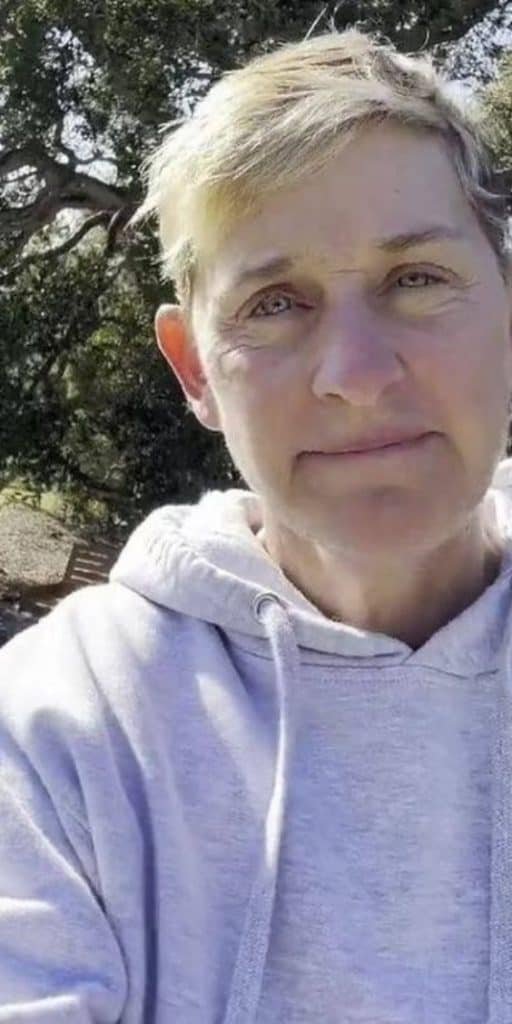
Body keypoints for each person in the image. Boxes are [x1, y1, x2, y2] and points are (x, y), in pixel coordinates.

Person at [0, 26, 511, 1023]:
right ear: (195, 369)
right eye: (275, 305)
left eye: (416, 279)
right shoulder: (56, 729)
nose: (357, 377)